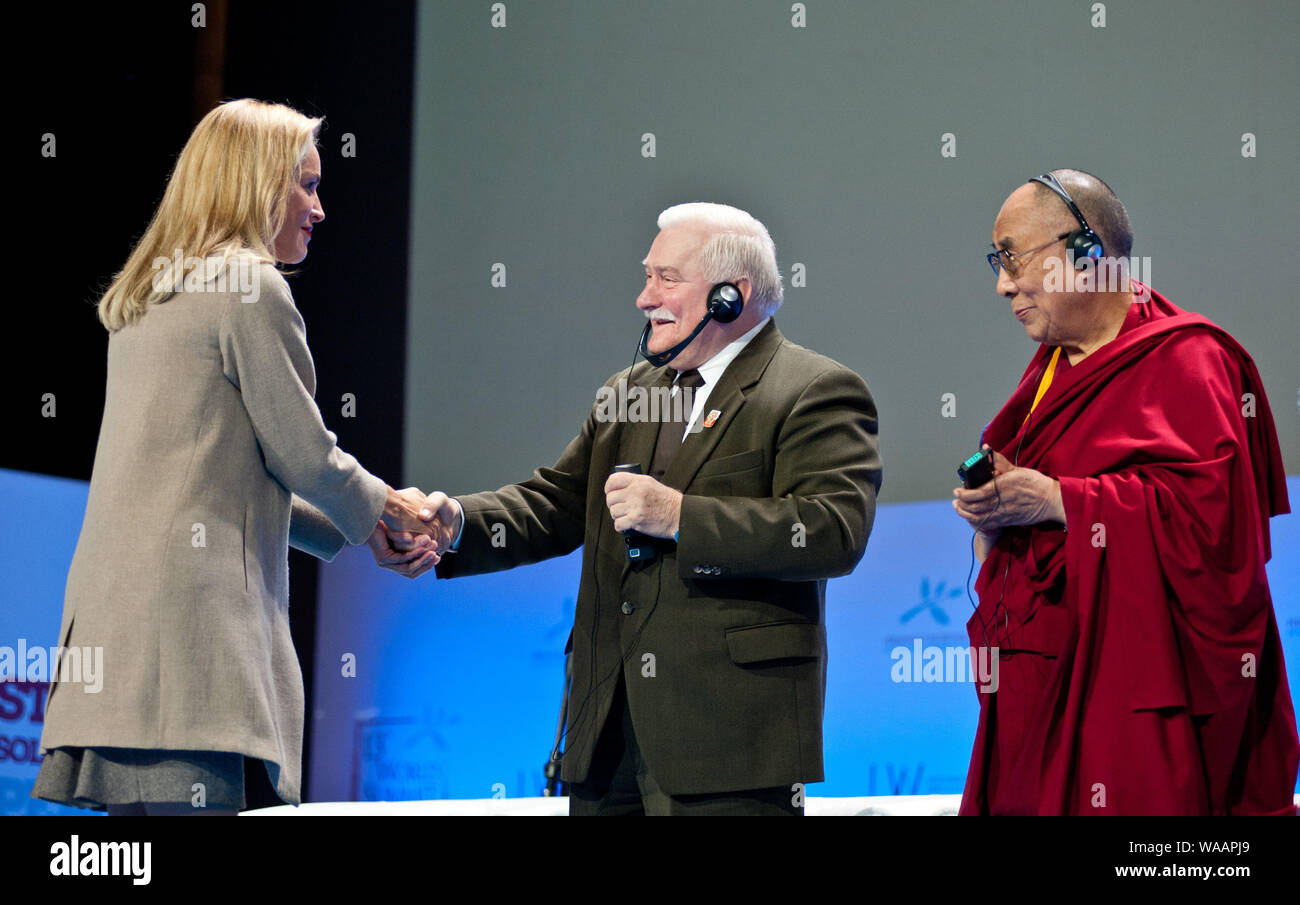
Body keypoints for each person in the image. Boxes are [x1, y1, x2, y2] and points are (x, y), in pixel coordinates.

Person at [398, 202, 881, 815]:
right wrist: (459, 522)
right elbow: (559, 502)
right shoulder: (627, 394)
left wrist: (682, 516)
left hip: (729, 742)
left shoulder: (813, 389)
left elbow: (832, 529)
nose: (643, 297)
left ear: (732, 295)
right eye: (647, 275)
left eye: (666, 279)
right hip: (605, 736)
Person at [32, 99, 439, 816]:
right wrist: (388, 508)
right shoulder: (251, 287)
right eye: (306, 185)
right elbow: (307, 455)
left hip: (124, 657)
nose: (319, 210)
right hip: (190, 659)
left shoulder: (151, 296)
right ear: (253, 184)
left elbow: (225, 475)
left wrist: (360, 527)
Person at [952, 168, 1297, 815]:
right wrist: (997, 518)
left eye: (1014, 259)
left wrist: (1060, 501)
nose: (1003, 285)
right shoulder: (1054, 364)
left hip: (1135, 694)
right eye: (995, 263)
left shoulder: (1189, 360)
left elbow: (1219, 541)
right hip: (1042, 689)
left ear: (1085, 254)